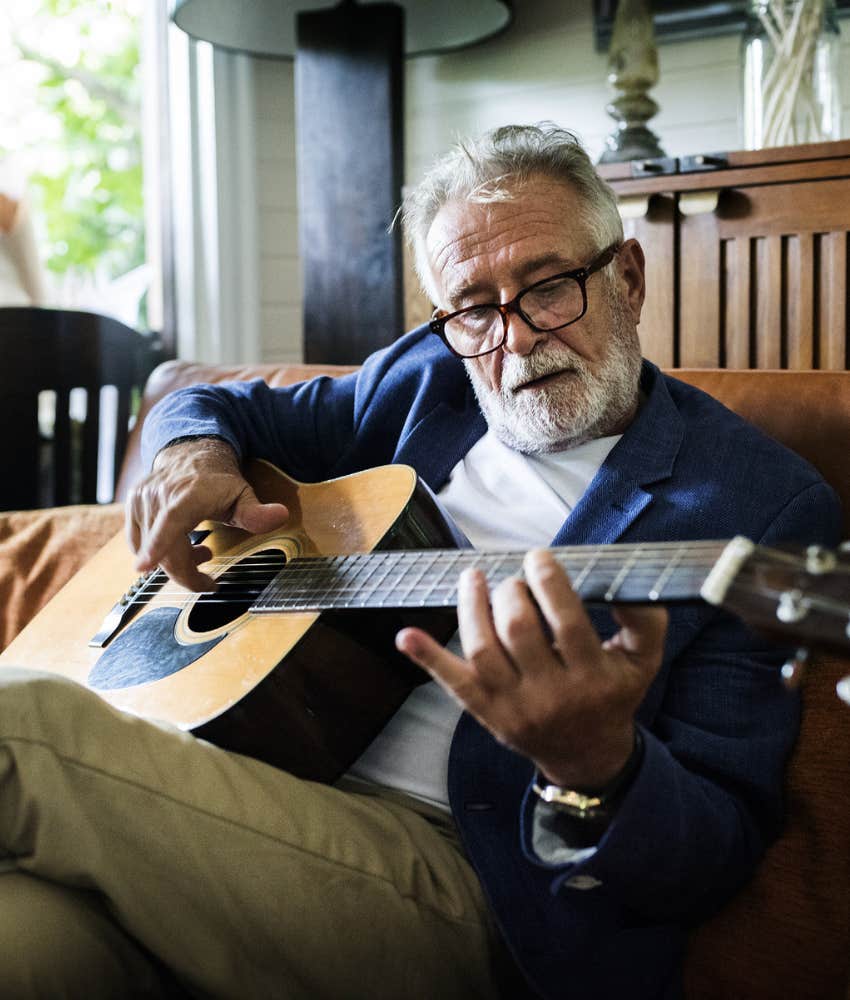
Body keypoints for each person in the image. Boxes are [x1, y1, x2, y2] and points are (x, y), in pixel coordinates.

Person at [0, 124, 842, 999]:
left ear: (627, 278)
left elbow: (717, 846)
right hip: (230, 789)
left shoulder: (757, 504)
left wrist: (597, 766)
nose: (514, 341)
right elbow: (208, 402)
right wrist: (191, 454)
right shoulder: (428, 376)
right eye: (475, 308)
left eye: (549, 287)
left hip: (462, 876)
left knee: (21, 725)